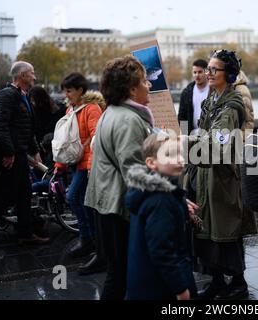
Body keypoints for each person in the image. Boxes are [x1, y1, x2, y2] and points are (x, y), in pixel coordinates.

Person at [85, 55, 154, 300]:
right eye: (145, 81)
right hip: (118, 209)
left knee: (118, 273)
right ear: (132, 89)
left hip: (107, 204)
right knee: (121, 275)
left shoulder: (112, 112)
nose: (150, 86)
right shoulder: (129, 120)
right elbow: (135, 173)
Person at [192, 49, 257, 300]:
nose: (208, 73)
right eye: (207, 69)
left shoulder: (230, 105)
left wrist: (183, 145)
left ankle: (238, 283)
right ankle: (217, 281)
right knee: (208, 230)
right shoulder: (213, 98)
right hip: (207, 174)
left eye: (213, 70)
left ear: (228, 74)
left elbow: (216, 146)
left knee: (227, 231)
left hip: (223, 175)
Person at [125, 133, 196, 300]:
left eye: (180, 153)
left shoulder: (150, 191)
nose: (179, 159)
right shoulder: (160, 200)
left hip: (146, 282)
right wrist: (180, 288)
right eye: (170, 154)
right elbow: (161, 249)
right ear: (151, 163)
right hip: (161, 288)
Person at [0, 61, 49, 249]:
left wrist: (35, 150)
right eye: (32, 73)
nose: (35, 77)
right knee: (6, 196)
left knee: (24, 194)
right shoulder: (8, 95)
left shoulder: (22, 95)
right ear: (21, 75)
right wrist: (9, 152)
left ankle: (25, 234)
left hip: (20, 153)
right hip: (12, 156)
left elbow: (26, 127)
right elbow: (0, 125)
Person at [54, 73, 103, 259]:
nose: (66, 95)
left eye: (69, 91)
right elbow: (65, 141)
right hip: (77, 164)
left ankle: (87, 238)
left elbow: (96, 139)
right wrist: (60, 164)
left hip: (85, 166)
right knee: (84, 202)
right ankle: (92, 239)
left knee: (72, 197)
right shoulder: (71, 111)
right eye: (65, 91)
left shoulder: (91, 109)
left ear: (80, 90)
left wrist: (91, 166)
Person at [28, 86, 66, 166]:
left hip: (52, 148)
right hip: (40, 148)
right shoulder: (34, 112)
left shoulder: (57, 111)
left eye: (33, 100)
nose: (33, 103)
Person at [178, 59, 210, 135]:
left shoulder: (214, 90)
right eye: (194, 72)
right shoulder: (186, 92)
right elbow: (182, 117)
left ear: (206, 72)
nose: (197, 75)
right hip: (192, 137)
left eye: (200, 72)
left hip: (210, 136)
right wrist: (185, 137)